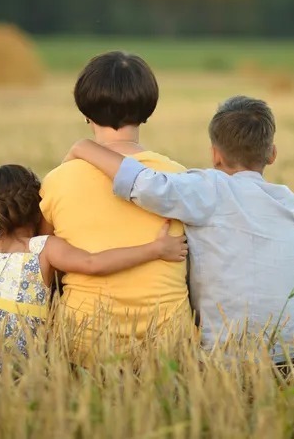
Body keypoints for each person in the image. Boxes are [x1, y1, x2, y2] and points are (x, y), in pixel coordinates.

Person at [65, 95, 294, 364]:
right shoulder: (289, 201)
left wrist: (83, 147)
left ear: (215, 154)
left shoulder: (207, 188)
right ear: (272, 154)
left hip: (230, 356)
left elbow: (145, 185)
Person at [40, 51, 192, 363]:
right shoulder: (179, 177)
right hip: (170, 348)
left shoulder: (57, 181)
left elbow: (43, 261)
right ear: (148, 109)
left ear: (86, 110)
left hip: (83, 344)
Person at [0, 164, 187, 357]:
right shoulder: (42, 248)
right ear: (36, 207)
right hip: (10, 351)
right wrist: (155, 249)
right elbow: (93, 263)